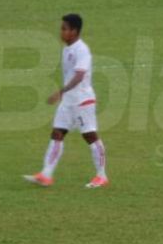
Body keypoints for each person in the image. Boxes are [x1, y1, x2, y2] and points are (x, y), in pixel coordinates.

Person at [24, 14, 109, 189]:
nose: (61, 32)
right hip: (69, 101)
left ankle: (102, 176)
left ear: (74, 31)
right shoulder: (67, 49)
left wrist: (60, 91)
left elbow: (79, 76)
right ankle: (46, 174)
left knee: (90, 136)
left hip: (82, 101)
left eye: (64, 29)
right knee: (57, 133)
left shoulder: (81, 50)